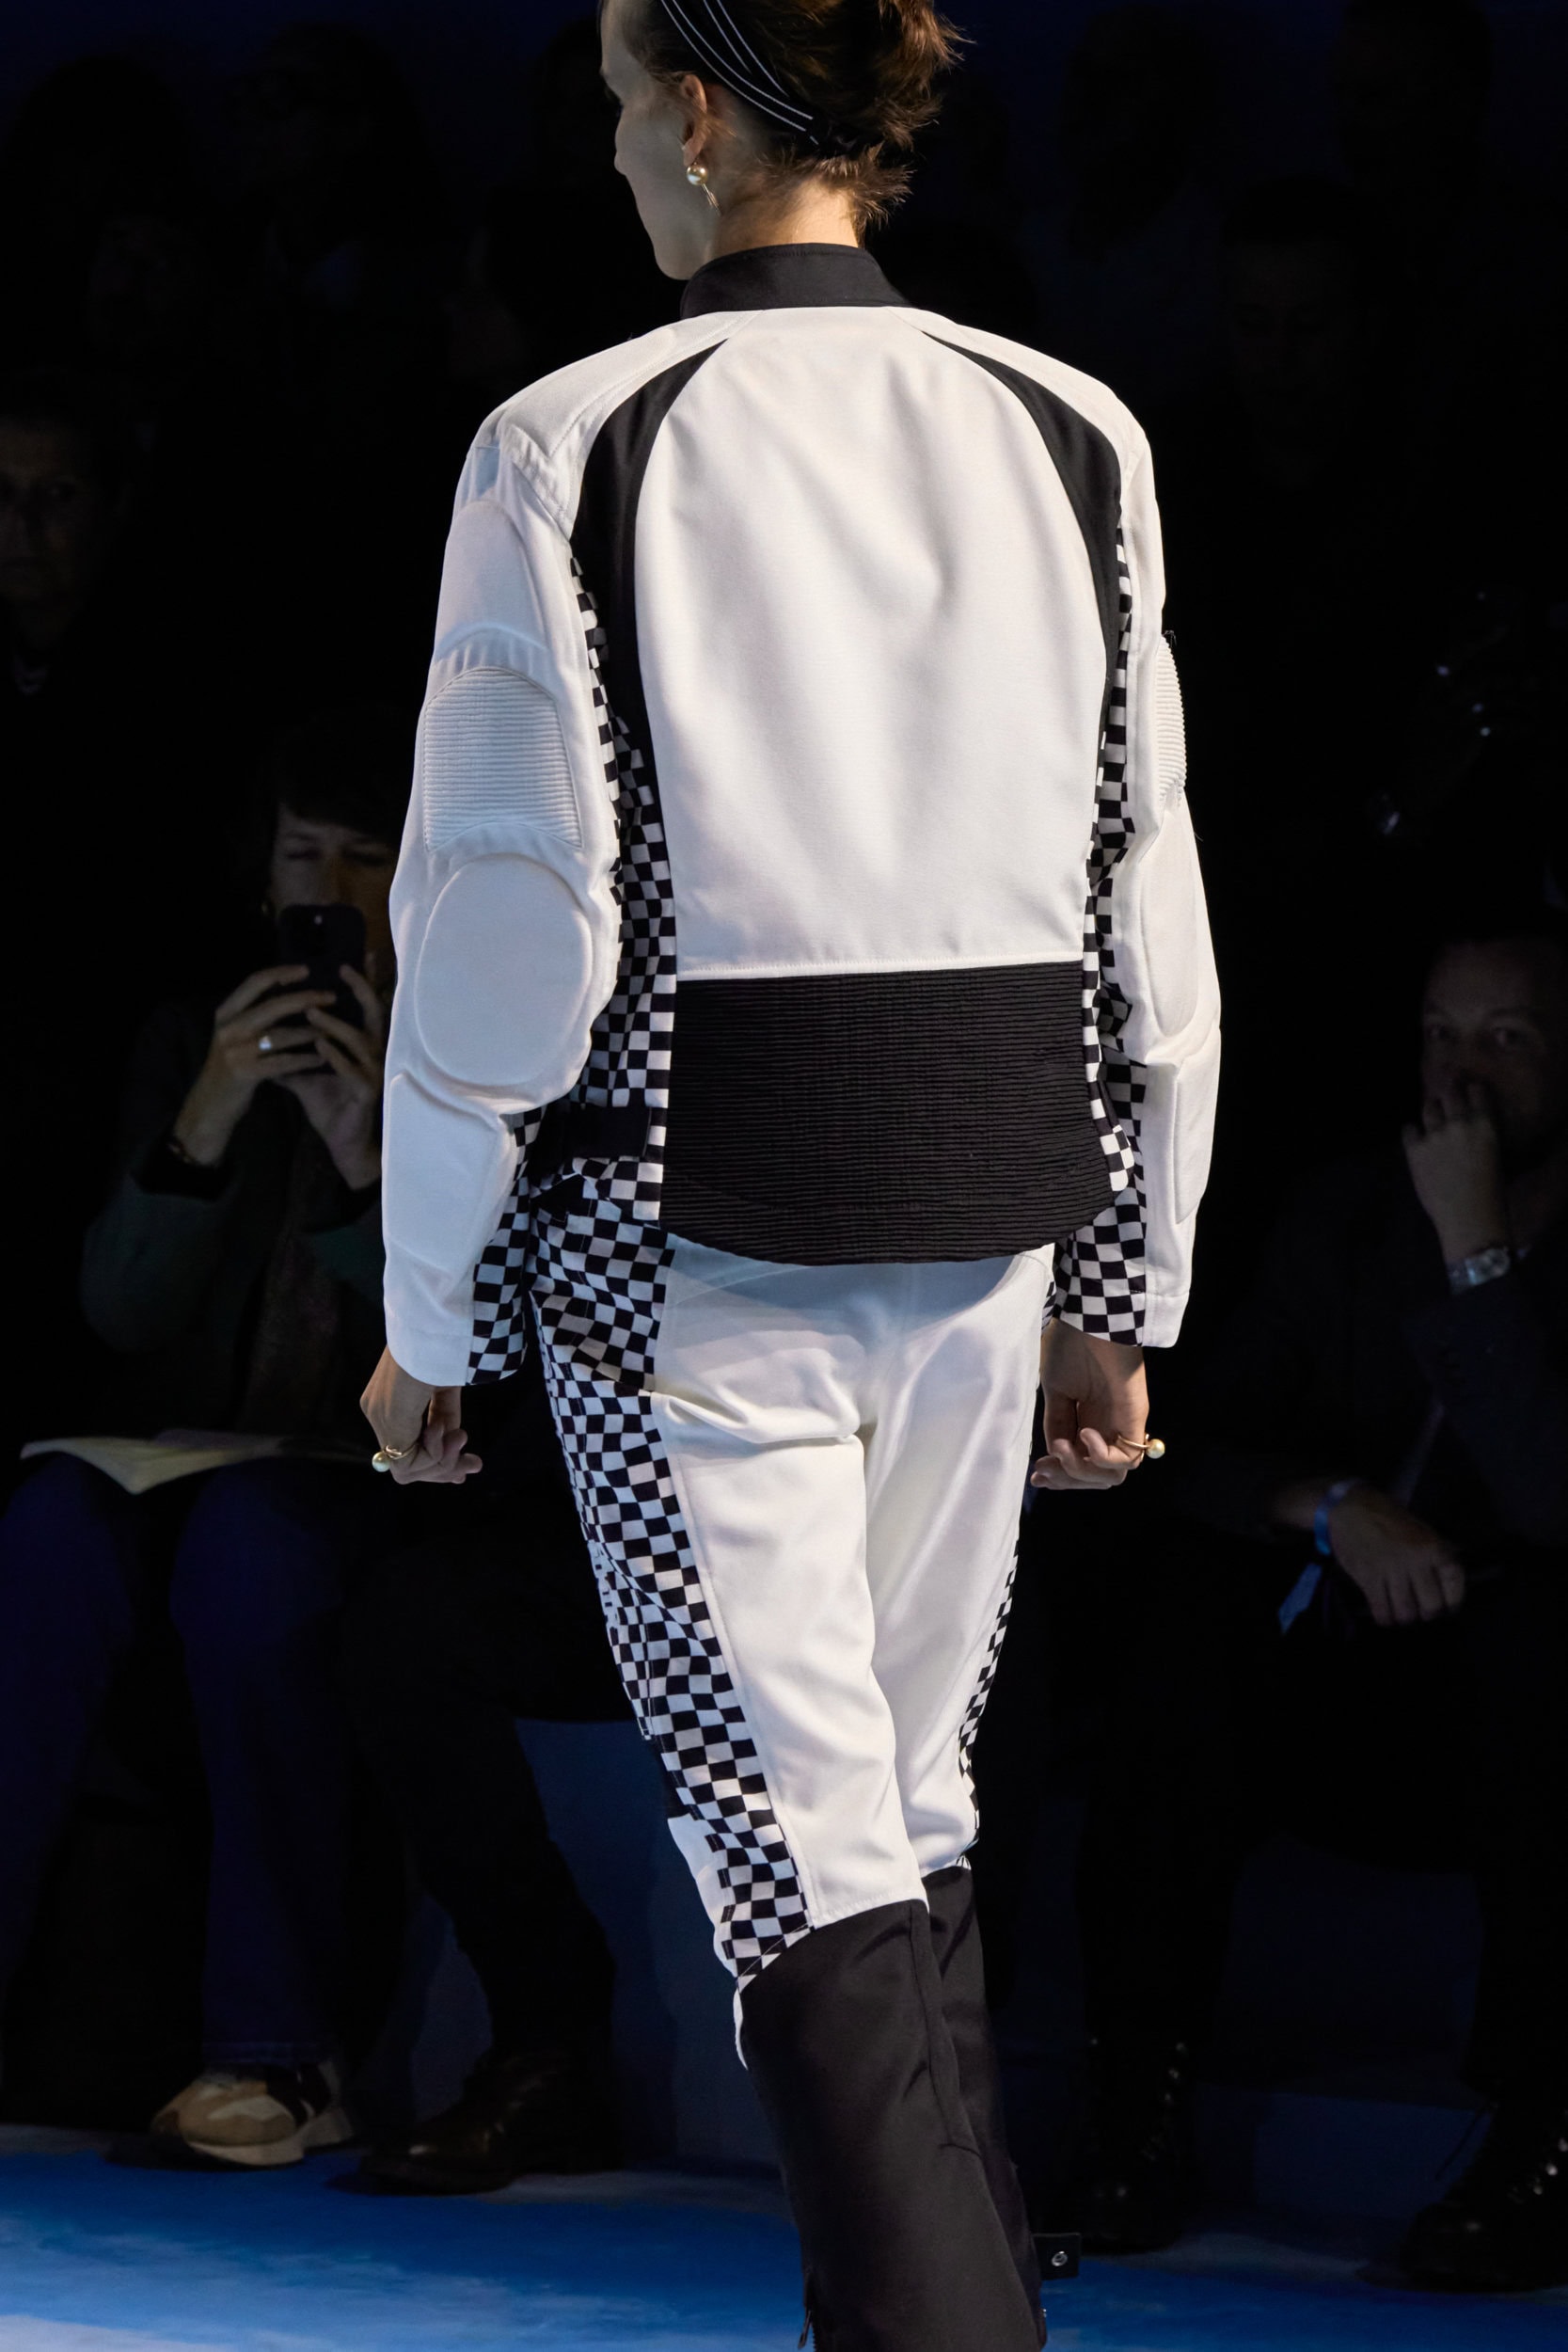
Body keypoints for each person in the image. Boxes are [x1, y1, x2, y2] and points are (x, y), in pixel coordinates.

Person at [361, 3, 1218, 2344]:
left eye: (615, 104)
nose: (612, 152)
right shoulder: (1071, 427)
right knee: (895, 1825)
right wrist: (1120, 1278)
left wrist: (430, 1317)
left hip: (686, 1230)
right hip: (987, 1202)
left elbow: (509, 932)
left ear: (697, 114)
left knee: (805, 1857)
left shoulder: (571, 436)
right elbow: (1138, 897)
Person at [1070, 909, 1568, 2294]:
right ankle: (1132, 2105)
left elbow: (1546, 1497)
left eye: (1505, 1038)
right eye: (1438, 1035)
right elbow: (1194, 1449)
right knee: (1184, 1623)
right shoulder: (1346, 1215)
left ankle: (1540, 2135)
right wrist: (1335, 1507)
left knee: (1545, 1643)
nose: (1459, 1072)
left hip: (1513, 1704)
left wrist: (1475, 1251)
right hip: (1349, 1677)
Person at [0, 706, 410, 2166]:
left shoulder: (470, 1053)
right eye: (306, 857)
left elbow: (458, 1362)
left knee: (253, 1547)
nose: (331, 893)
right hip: (194, 1455)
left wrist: (367, 1152)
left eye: (367, 860)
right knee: (51, 1521)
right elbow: (121, 1311)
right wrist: (208, 1117)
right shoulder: (195, 1038)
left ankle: (275, 2054)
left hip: (386, 1478)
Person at [344, 1345, 628, 2192]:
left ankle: (942, 2079)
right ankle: (548, 2050)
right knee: (406, 1620)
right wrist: (428, 1344)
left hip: (828, 1503)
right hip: (605, 1502)